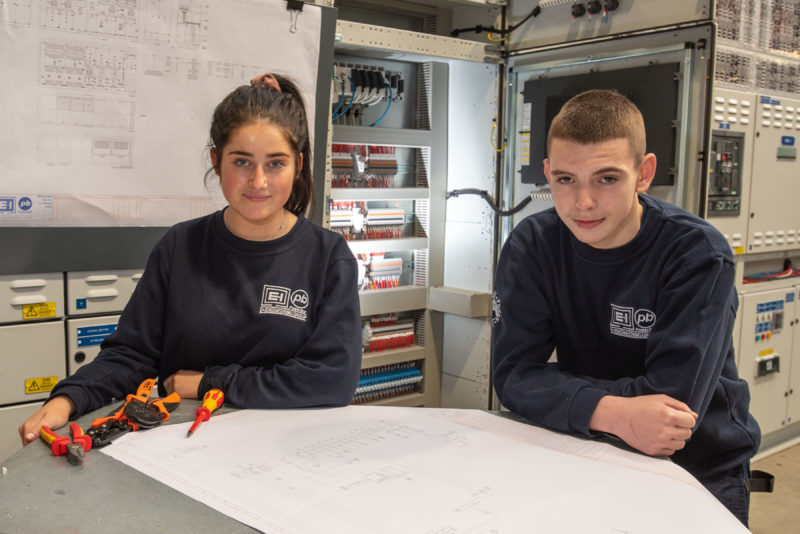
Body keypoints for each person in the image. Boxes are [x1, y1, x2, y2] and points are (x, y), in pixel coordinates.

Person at [20, 73, 362, 443]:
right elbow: (132, 354)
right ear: (217, 161)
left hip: (286, 450)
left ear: (297, 164)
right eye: (242, 162)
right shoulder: (180, 246)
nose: (259, 181)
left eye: (275, 163)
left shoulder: (327, 257)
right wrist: (70, 399)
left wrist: (210, 383)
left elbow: (331, 378)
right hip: (182, 448)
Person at [491, 89, 760, 525]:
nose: (583, 203)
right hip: (589, 452)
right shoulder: (534, 244)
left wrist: (559, 393)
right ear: (547, 174)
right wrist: (615, 411)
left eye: (607, 178)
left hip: (698, 469)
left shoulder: (696, 253)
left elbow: (671, 413)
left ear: (644, 173)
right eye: (565, 179)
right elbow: (512, 376)